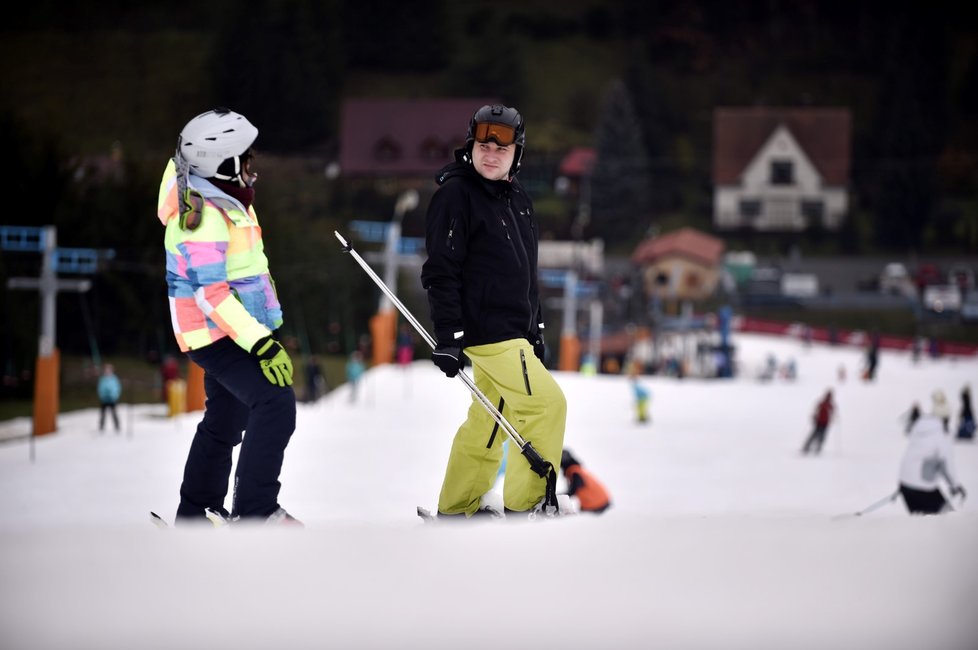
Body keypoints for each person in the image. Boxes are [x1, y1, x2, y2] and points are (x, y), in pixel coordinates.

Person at [421, 104, 567, 519]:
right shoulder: (456, 195)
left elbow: (526, 272)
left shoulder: (517, 198)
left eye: (501, 149)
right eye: (483, 145)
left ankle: (457, 505)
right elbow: (440, 270)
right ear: (470, 147)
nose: (490, 154)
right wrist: (447, 334)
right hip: (489, 332)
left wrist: (536, 328)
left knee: (489, 421)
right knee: (545, 406)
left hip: (514, 331)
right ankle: (527, 505)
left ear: (516, 155)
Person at [157, 107, 301, 526]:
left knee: (227, 416)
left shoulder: (224, 196)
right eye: (246, 159)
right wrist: (261, 341)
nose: (252, 167)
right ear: (223, 163)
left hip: (228, 329)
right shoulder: (200, 218)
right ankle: (256, 510)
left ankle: (195, 510)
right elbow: (211, 294)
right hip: (216, 333)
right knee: (275, 403)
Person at [899, 398, 967, 515]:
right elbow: (947, 465)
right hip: (923, 488)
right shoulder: (942, 435)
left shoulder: (919, 426)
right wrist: (955, 486)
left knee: (922, 523)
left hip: (904, 484)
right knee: (947, 519)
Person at [560, 449, 611, 514]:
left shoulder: (575, 472)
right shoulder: (576, 470)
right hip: (601, 501)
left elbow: (574, 489)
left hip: (597, 504)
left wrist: (559, 497)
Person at [801, 389, 834, 455]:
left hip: (825, 423)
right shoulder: (822, 403)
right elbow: (816, 410)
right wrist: (814, 417)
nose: (829, 398)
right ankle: (807, 447)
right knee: (814, 435)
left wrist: (832, 418)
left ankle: (818, 448)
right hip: (819, 422)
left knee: (822, 436)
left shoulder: (830, 405)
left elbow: (832, 412)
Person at [97, 364, 122, 433]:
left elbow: (117, 388)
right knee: (103, 414)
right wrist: (102, 395)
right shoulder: (102, 379)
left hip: (112, 399)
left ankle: (117, 427)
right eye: (106, 370)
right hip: (104, 399)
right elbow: (100, 388)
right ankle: (101, 427)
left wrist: (114, 395)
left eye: (109, 370)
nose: (107, 371)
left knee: (114, 413)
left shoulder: (114, 379)